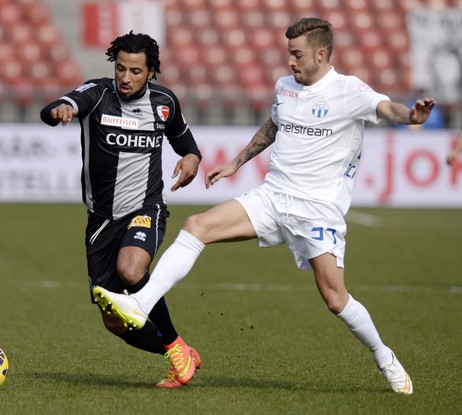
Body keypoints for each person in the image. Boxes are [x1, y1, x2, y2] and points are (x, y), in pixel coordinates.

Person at [93, 18, 437, 394]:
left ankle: (384, 356)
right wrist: (236, 163)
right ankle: (141, 303)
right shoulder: (285, 87)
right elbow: (273, 126)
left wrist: (411, 118)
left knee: (335, 299)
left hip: (317, 210)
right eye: (289, 53)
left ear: (321, 54)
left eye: (297, 54)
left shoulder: (348, 90)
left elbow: (388, 109)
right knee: (196, 226)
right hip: (272, 197)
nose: (290, 61)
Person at [40, 31, 202, 388]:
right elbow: (52, 110)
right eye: (121, 69)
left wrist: (191, 159)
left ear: (151, 72)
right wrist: (60, 111)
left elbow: (186, 144)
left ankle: (175, 347)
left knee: (131, 270)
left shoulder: (164, 103)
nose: (126, 78)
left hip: (145, 206)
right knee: (114, 321)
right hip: (100, 220)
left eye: (135, 71)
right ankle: (179, 351)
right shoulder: (96, 95)